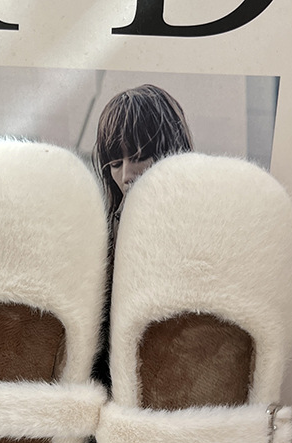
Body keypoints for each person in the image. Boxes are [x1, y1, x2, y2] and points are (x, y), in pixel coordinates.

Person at [91, 84, 194, 385]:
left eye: (138, 156)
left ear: (169, 151)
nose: (126, 175)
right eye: (115, 163)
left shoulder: (201, 227)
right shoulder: (106, 228)